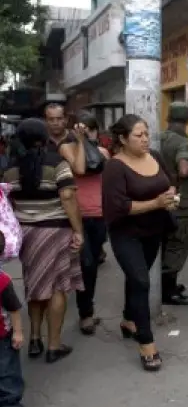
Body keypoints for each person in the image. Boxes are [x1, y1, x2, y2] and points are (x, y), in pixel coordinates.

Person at [3, 118, 84, 364]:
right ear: (43, 137)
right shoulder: (57, 163)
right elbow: (68, 196)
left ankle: (35, 338)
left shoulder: (9, 168)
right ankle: (53, 345)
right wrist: (78, 230)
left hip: (26, 234)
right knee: (58, 286)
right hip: (56, 231)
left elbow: (9, 201)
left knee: (35, 285)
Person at [102, 114, 178, 372]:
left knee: (137, 278)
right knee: (141, 281)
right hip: (126, 233)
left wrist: (170, 195)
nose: (145, 139)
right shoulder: (115, 167)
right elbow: (119, 206)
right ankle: (146, 343)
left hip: (152, 231)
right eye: (138, 135)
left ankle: (127, 320)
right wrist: (155, 203)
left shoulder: (155, 156)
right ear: (123, 139)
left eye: (146, 134)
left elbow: (169, 182)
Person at [60, 112, 110, 334]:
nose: (86, 132)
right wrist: (80, 142)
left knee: (92, 264)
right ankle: (86, 314)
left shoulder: (102, 153)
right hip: (77, 217)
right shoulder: (67, 150)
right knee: (86, 264)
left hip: (99, 215)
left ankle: (85, 305)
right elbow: (80, 169)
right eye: (80, 128)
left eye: (89, 129)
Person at [160, 102, 188, 306]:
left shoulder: (159, 138)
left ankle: (166, 286)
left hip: (162, 198)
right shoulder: (181, 142)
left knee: (165, 243)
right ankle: (169, 292)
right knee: (178, 245)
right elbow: (184, 170)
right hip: (181, 201)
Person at [0, 268, 24, 407]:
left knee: (7, 371)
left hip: (2, 336)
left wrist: (18, 332)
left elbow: (13, 308)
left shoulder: (2, 281)